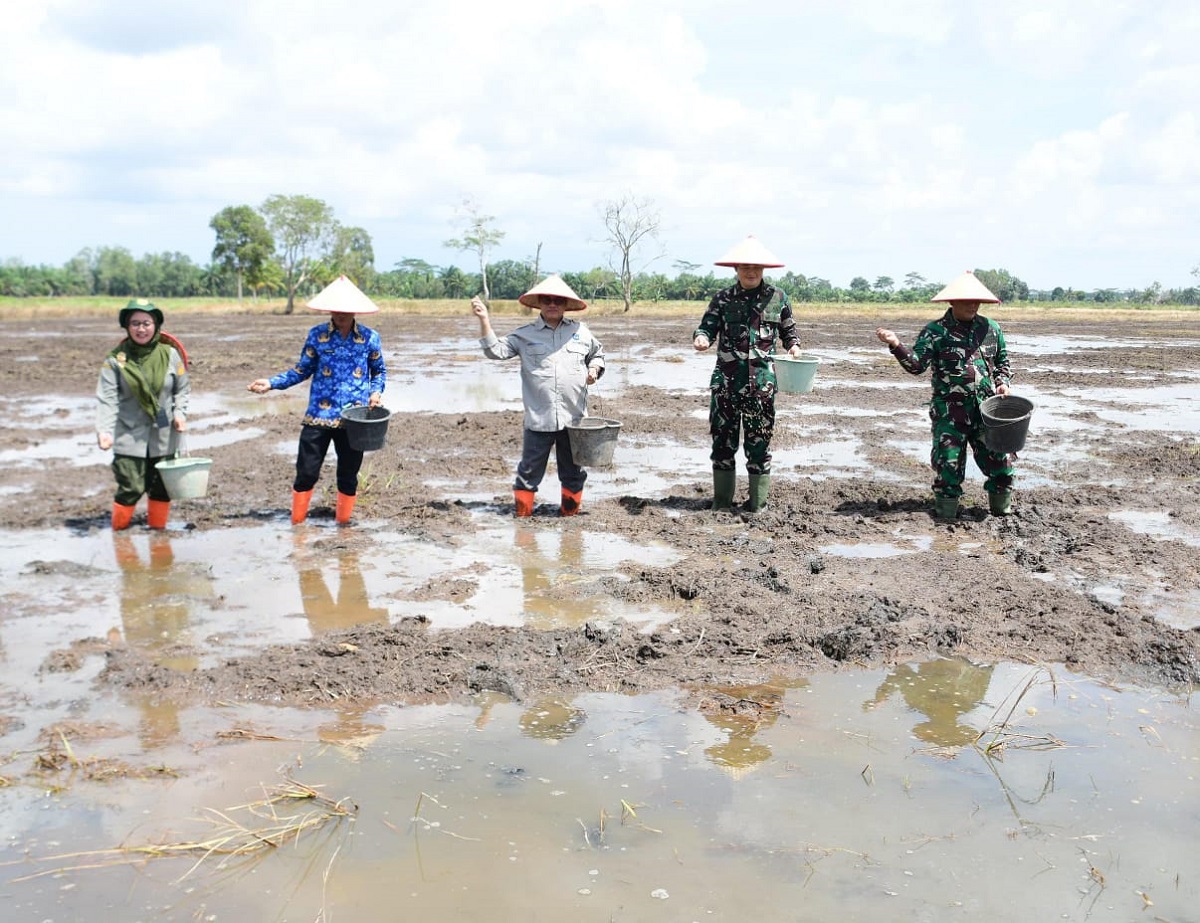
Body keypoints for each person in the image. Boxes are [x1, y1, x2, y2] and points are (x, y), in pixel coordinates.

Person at [875, 270, 1015, 519]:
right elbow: (916, 366)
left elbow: (1003, 362)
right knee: (948, 468)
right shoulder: (935, 331)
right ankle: (946, 516)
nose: (973, 305)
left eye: (976, 301)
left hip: (987, 411)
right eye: (967, 301)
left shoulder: (991, 329)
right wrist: (896, 345)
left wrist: (1002, 382)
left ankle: (1001, 511)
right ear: (952, 302)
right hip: (950, 414)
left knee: (1001, 464)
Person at [248, 275, 386, 525]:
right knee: (306, 473)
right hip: (318, 417)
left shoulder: (369, 338)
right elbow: (302, 370)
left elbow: (378, 371)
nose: (341, 314)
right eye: (337, 309)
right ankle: (297, 525)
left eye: (346, 309)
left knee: (348, 476)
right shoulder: (317, 335)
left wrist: (376, 393)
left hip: (354, 420)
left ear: (355, 310)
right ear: (330, 308)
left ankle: (343, 525)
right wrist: (271, 383)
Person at [471, 275, 605, 517]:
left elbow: (597, 354)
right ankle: (523, 518)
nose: (552, 304)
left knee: (574, 473)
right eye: (547, 300)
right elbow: (494, 351)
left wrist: (594, 369)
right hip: (538, 419)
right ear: (539, 304)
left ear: (565, 305)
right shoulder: (525, 335)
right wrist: (484, 320)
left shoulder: (581, 332)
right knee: (528, 472)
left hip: (574, 421)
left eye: (557, 300)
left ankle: (570, 516)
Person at [693, 235, 803, 513]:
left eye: (755, 267)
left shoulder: (777, 297)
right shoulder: (722, 298)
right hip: (726, 386)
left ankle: (758, 506)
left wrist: (794, 347)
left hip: (762, 388)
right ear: (736, 270)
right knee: (722, 445)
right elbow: (706, 327)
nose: (751, 272)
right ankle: (721, 504)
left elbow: (790, 332)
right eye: (745, 267)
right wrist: (702, 338)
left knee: (759, 447)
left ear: (763, 269)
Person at [96, 298, 190, 530]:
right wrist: (104, 430)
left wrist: (180, 413)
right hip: (129, 434)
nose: (141, 329)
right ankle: (119, 535)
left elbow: (182, 388)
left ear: (156, 325)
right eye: (135, 323)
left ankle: (158, 534)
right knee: (130, 486)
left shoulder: (171, 355)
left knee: (161, 487)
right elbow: (107, 398)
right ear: (127, 327)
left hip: (165, 433)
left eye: (146, 323)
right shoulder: (115, 360)